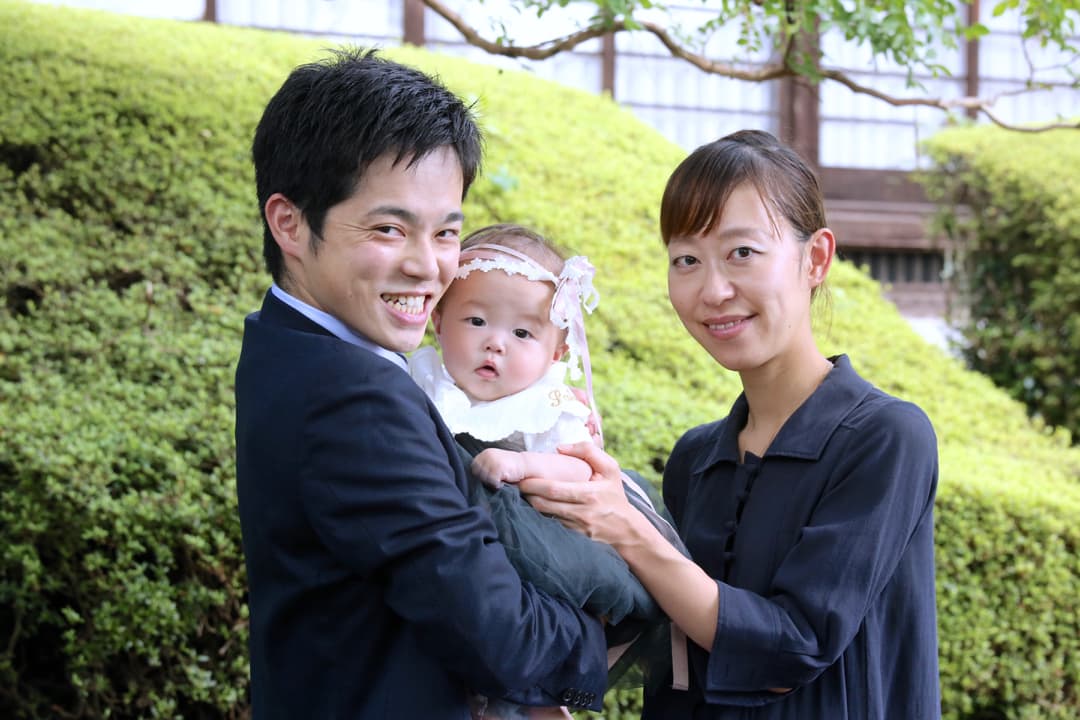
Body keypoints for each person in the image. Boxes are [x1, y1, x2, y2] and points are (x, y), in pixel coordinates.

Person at [233, 48, 607, 719]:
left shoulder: (281, 344)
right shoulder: (351, 395)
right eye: (389, 228)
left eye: (446, 233)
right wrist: (608, 631)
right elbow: (498, 635)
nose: (427, 267)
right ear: (289, 223)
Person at [519, 129, 941, 719]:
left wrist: (627, 529)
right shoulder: (696, 460)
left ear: (815, 258)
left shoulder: (885, 438)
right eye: (686, 260)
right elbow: (670, 658)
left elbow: (791, 648)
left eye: (742, 253)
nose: (713, 290)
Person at [409, 223, 684, 719]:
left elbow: (583, 470)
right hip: (462, 562)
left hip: (539, 549)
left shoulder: (551, 399)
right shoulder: (422, 378)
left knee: (526, 687)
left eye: (522, 333)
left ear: (556, 352)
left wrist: (520, 463)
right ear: (437, 318)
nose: (496, 344)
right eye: (475, 321)